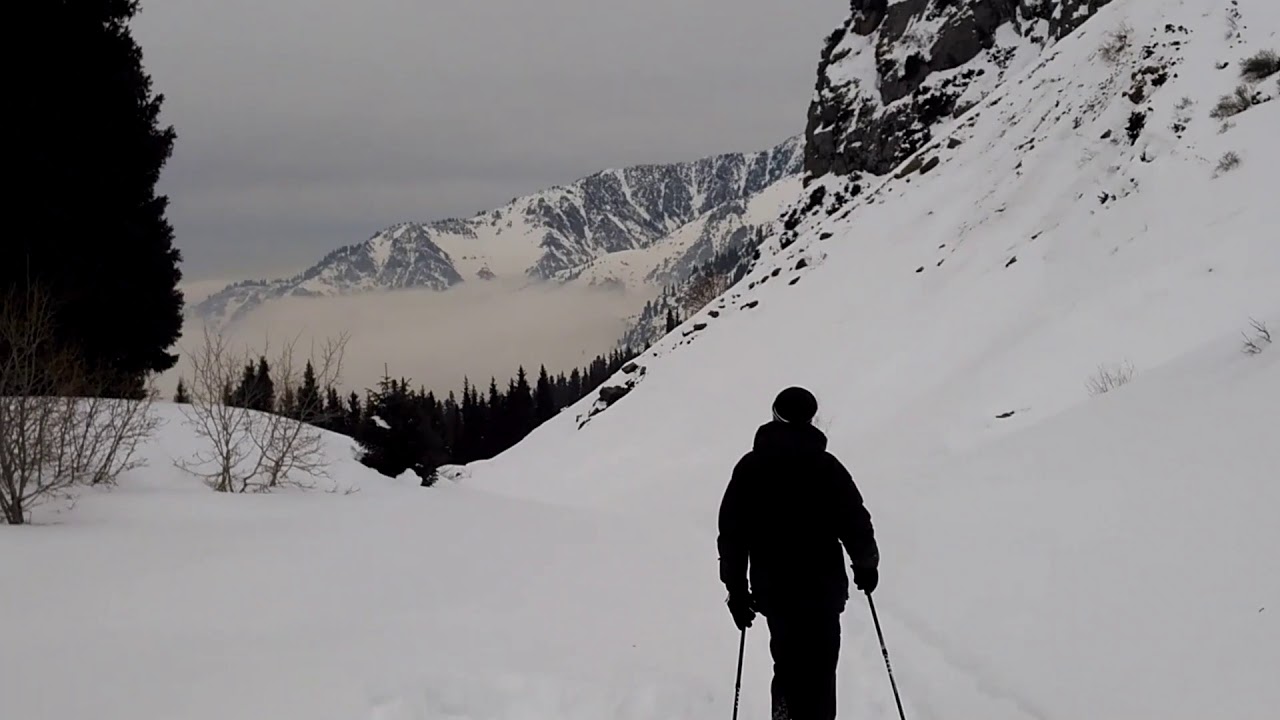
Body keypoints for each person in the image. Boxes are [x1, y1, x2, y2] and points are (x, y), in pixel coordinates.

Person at [716, 386, 879, 720]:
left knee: (788, 664)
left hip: (775, 591)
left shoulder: (751, 468)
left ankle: (786, 714)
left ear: (775, 414)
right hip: (823, 590)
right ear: (810, 419)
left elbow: (733, 534)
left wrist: (735, 589)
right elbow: (855, 520)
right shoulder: (827, 467)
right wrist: (866, 564)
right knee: (821, 670)